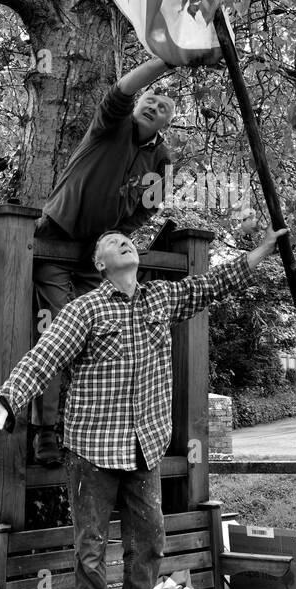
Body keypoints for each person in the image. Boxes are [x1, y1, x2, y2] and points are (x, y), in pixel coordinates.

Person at [0, 225, 287, 589]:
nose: (124, 241)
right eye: (110, 242)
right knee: (90, 545)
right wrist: (6, 400)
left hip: (144, 444)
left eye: (128, 239)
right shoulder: (85, 309)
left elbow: (213, 285)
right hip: (91, 446)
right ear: (100, 265)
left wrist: (261, 251)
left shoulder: (160, 299)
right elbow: (44, 356)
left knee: (149, 540)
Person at [31, 55, 178, 464]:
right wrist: (164, 62)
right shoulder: (112, 125)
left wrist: (118, 235)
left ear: (167, 123)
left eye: (164, 107)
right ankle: (44, 431)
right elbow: (119, 93)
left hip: (96, 258)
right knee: (57, 332)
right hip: (55, 242)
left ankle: (90, 429)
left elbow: (147, 208)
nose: (154, 106)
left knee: (101, 338)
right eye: (150, 99)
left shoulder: (162, 161)